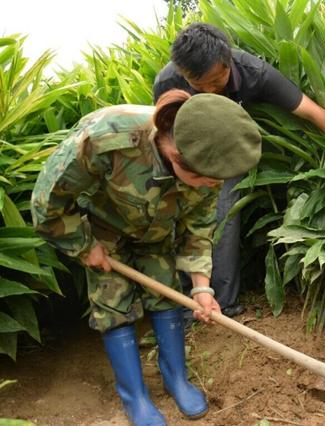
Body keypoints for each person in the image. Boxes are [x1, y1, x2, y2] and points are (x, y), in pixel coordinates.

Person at [31, 89, 262, 426]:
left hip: (156, 234)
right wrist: (83, 245)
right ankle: (135, 397)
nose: (211, 186)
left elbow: (198, 229)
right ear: (177, 155)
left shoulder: (210, 159)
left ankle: (176, 380)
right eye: (205, 180)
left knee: (166, 295)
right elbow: (46, 203)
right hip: (103, 233)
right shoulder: (107, 137)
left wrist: (201, 288)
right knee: (113, 307)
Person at [153, 23, 325, 318]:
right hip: (185, 153)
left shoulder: (254, 73)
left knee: (224, 214)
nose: (208, 90)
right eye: (198, 84)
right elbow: (164, 133)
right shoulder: (168, 82)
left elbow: (312, 112)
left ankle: (225, 306)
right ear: (182, 74)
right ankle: (188, 303)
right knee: (178, 216)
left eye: (216, 81)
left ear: (227, 60)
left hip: (227, 152)